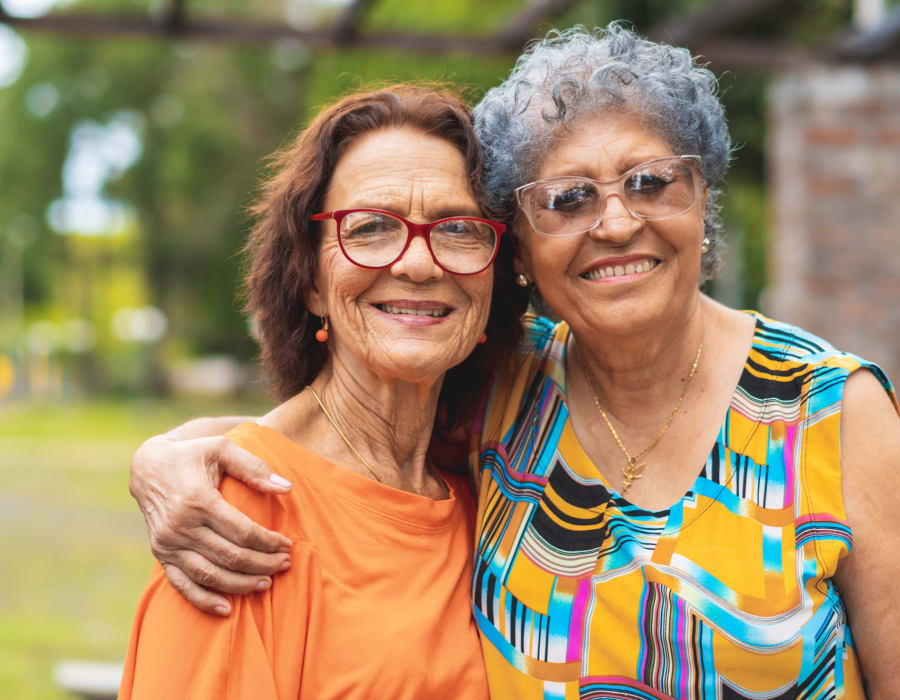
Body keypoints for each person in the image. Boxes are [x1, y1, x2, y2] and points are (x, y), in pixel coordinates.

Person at [128, 24, 900, 698]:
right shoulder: (511, 395)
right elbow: (342, 455)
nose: (618, 220)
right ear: (522, 251)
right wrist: (166, 456)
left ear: (703, 198)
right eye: (567, 199)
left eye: (652, 182)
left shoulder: (837, 412)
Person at [119, 83, 529, 699]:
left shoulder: (491, 492)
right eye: (369, 228)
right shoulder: (233, 519)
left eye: (459, 229)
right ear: (310, 279)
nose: (419, 264)